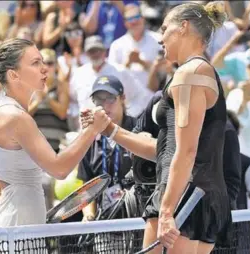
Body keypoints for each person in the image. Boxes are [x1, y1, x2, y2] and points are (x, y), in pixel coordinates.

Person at [82, 2, 230, 253]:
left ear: (183, 27)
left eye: (164, 29)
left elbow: (185, 152)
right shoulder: (196, 72)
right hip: (199, 194)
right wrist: (110, 130)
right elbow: (165, 151)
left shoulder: (190, 74)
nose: (160, 38)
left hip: (184, 195)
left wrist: (167, 210)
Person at [0, 38, 110, 227]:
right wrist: (92, 130)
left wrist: (15, 205)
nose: (44, 69)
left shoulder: (5, 111)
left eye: (43, 62)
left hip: (19, 226)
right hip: (18, 233)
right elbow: (59, 169)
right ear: (14, 75)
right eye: (35, 63)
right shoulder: (15, 116)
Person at [78, 75, 137, 253]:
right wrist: (88, 215)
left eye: (110, 98)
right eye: (98, 100)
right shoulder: (89, 137)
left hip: (140, 222)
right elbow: (87, 187)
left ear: (123, 98)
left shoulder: (139, 130)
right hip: (105, 225)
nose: (104, 105)